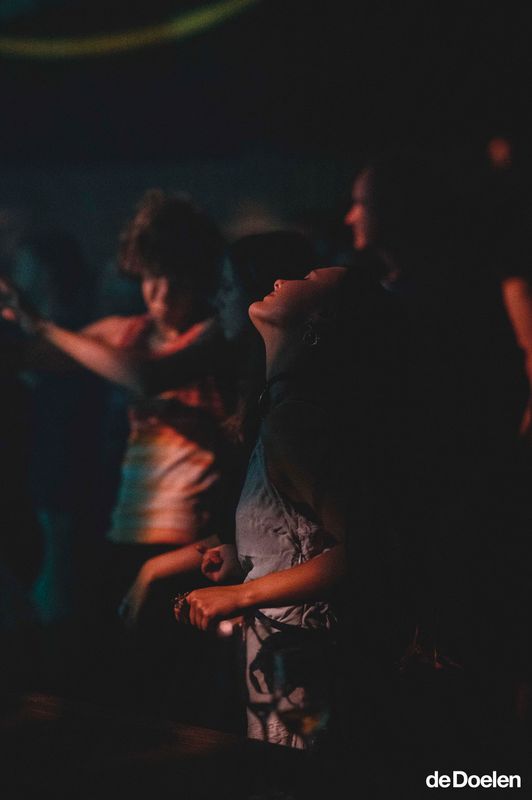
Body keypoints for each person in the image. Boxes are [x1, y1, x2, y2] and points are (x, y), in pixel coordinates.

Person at [0, 189, 230, 708]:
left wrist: (45, 326)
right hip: (128, 536)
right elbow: (29, 358)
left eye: (174, 278)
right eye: (150, 277)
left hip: (193, 544)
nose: (160, 294)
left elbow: (147, 377)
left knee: (179, 692)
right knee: (127, 689)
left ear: (199, 277)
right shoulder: (128, 331)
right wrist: (23, 327)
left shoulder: (216, 335)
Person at [175, 265, 366, 749]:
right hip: (284, 657)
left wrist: (242, 595)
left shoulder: (295, 422)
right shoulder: (284, 410)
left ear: (319, 321)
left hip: (303, 667)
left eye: (310, 278)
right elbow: (308, 536)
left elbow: (366, 547)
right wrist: (246, 560)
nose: (283, 280)